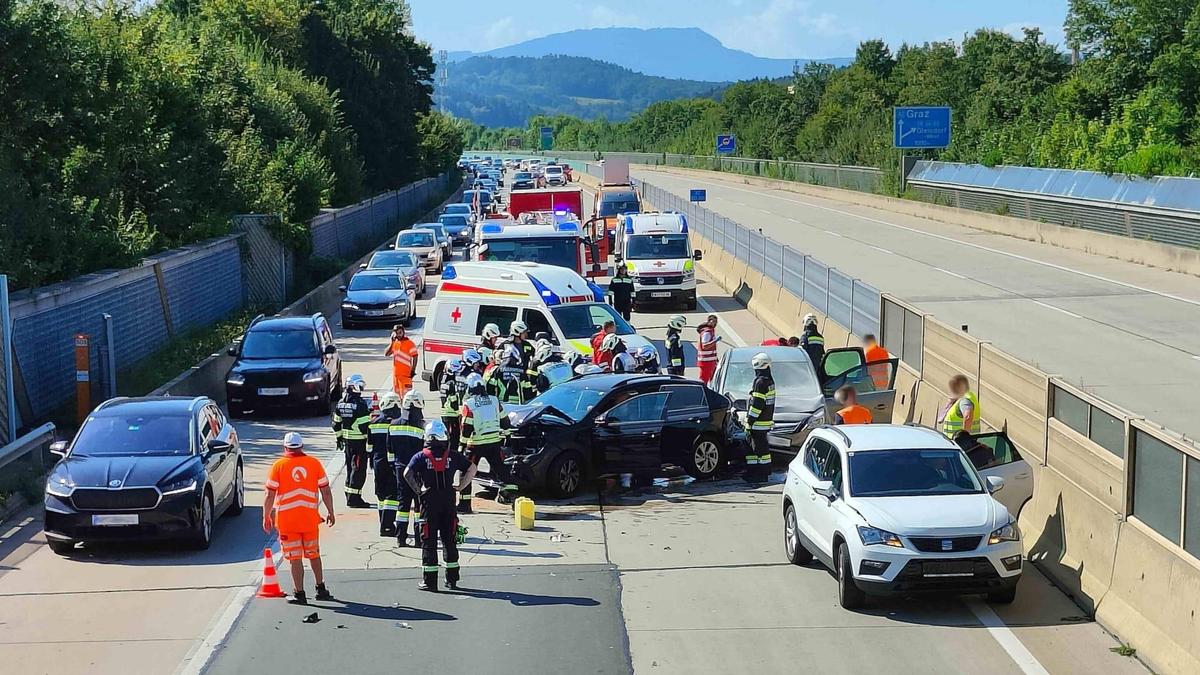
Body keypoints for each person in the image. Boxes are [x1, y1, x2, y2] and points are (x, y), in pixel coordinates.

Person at [262, 432, 335, 605]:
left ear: (285, 447)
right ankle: (320, 588)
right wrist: (331, 511)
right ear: (302, 446)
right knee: (314, 554)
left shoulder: (278, 466)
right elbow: (325, 490)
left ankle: (299, 594)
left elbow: (269, 495)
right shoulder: (314, 463)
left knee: (295, 558)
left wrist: (266, 516)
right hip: (310, 520)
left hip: (287, 522)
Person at [404, 420, 476, 591]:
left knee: (428, 542)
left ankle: (430, 581)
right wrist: (460, 486)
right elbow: (472, 468)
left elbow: (407, 473)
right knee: (449, 541)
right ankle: (452, 580)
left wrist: (418, 490)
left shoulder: (420, 457)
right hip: (449, 503)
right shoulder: (452, 456)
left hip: (428, 504)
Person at [459, 373, 509, 512]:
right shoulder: (494, 400)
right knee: (500, 470)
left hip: (475, 444)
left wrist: (461, 446)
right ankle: (508, 496)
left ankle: (464, 505)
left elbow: (466, 428)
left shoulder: (469, 404)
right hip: (494, 442)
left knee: (466, 472)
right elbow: (505, 421)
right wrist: (506, 434)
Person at [389, 390, 426, 546]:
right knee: (419, 505)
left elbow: (389, 450)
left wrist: (394, 466)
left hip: (399, 469)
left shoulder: (393, 425)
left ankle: (401, 538)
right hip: (417, 471)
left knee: (403, 504)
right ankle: (419, 539)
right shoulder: (422, 427)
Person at [332, 374, 372, 508]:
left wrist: (339, 438)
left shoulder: (341, 403)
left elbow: (336, 424)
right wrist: (370, 442)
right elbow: (364, 427)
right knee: (358, 471)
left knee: (350, 469)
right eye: (359, 386)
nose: (361, 389)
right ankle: (354, 499)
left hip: (347, 443)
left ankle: (349, 496)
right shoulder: (360, 405)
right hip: (359, 443)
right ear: (353, 386)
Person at [366, 393, 402, 536]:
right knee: (392, 494)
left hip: (378, 461)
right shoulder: (397, 422)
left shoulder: (374, 423)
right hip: (392, 463)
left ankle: (383, 521)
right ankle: (387, 525)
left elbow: (369, 446)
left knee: (380, 493)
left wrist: (372, 460)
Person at [744, 352, 776, 483]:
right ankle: (759, 472)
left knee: (757, 449)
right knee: (761, 449)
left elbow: (757, 404)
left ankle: (759, 474)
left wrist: (750, 420)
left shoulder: (760, 382)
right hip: (765, 421)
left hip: (757, 423)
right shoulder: (769, 381)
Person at [940, 374, 981, 442]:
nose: (951, 390)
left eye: (953, 388)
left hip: (960, 444)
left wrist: (964, 438)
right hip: (960, 443)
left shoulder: (965, 400)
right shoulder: (965, 397)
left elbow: (968, 416)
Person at [385, 324, 419, 395]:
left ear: (403, 332)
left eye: (400, 332)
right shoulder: (395, 343)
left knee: (406, 395)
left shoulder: (409, 343)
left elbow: (415, 356)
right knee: (397, 396)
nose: (398, 335)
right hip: (396, 376)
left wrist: (413, 370)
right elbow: (386, 354)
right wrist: (392, 342)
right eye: (396, 333)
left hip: (406, 375)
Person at [440, 359, 465, 450]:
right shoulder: (451, 384)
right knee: (454, 438)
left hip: (445, 413)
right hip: (451, 415)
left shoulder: (443, 380)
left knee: (448, 436)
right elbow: (454, 404)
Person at [696, 315, 722, 385]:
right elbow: (705, 346)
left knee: (713, 379)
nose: (715, 323)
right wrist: (716, 340)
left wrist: (716, 359)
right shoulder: (707, 332)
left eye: (716, 322)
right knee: (704, 380)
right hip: (706, 361)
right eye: (713, 321)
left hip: (710, 360)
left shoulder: (711, 331)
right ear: (709, 321)